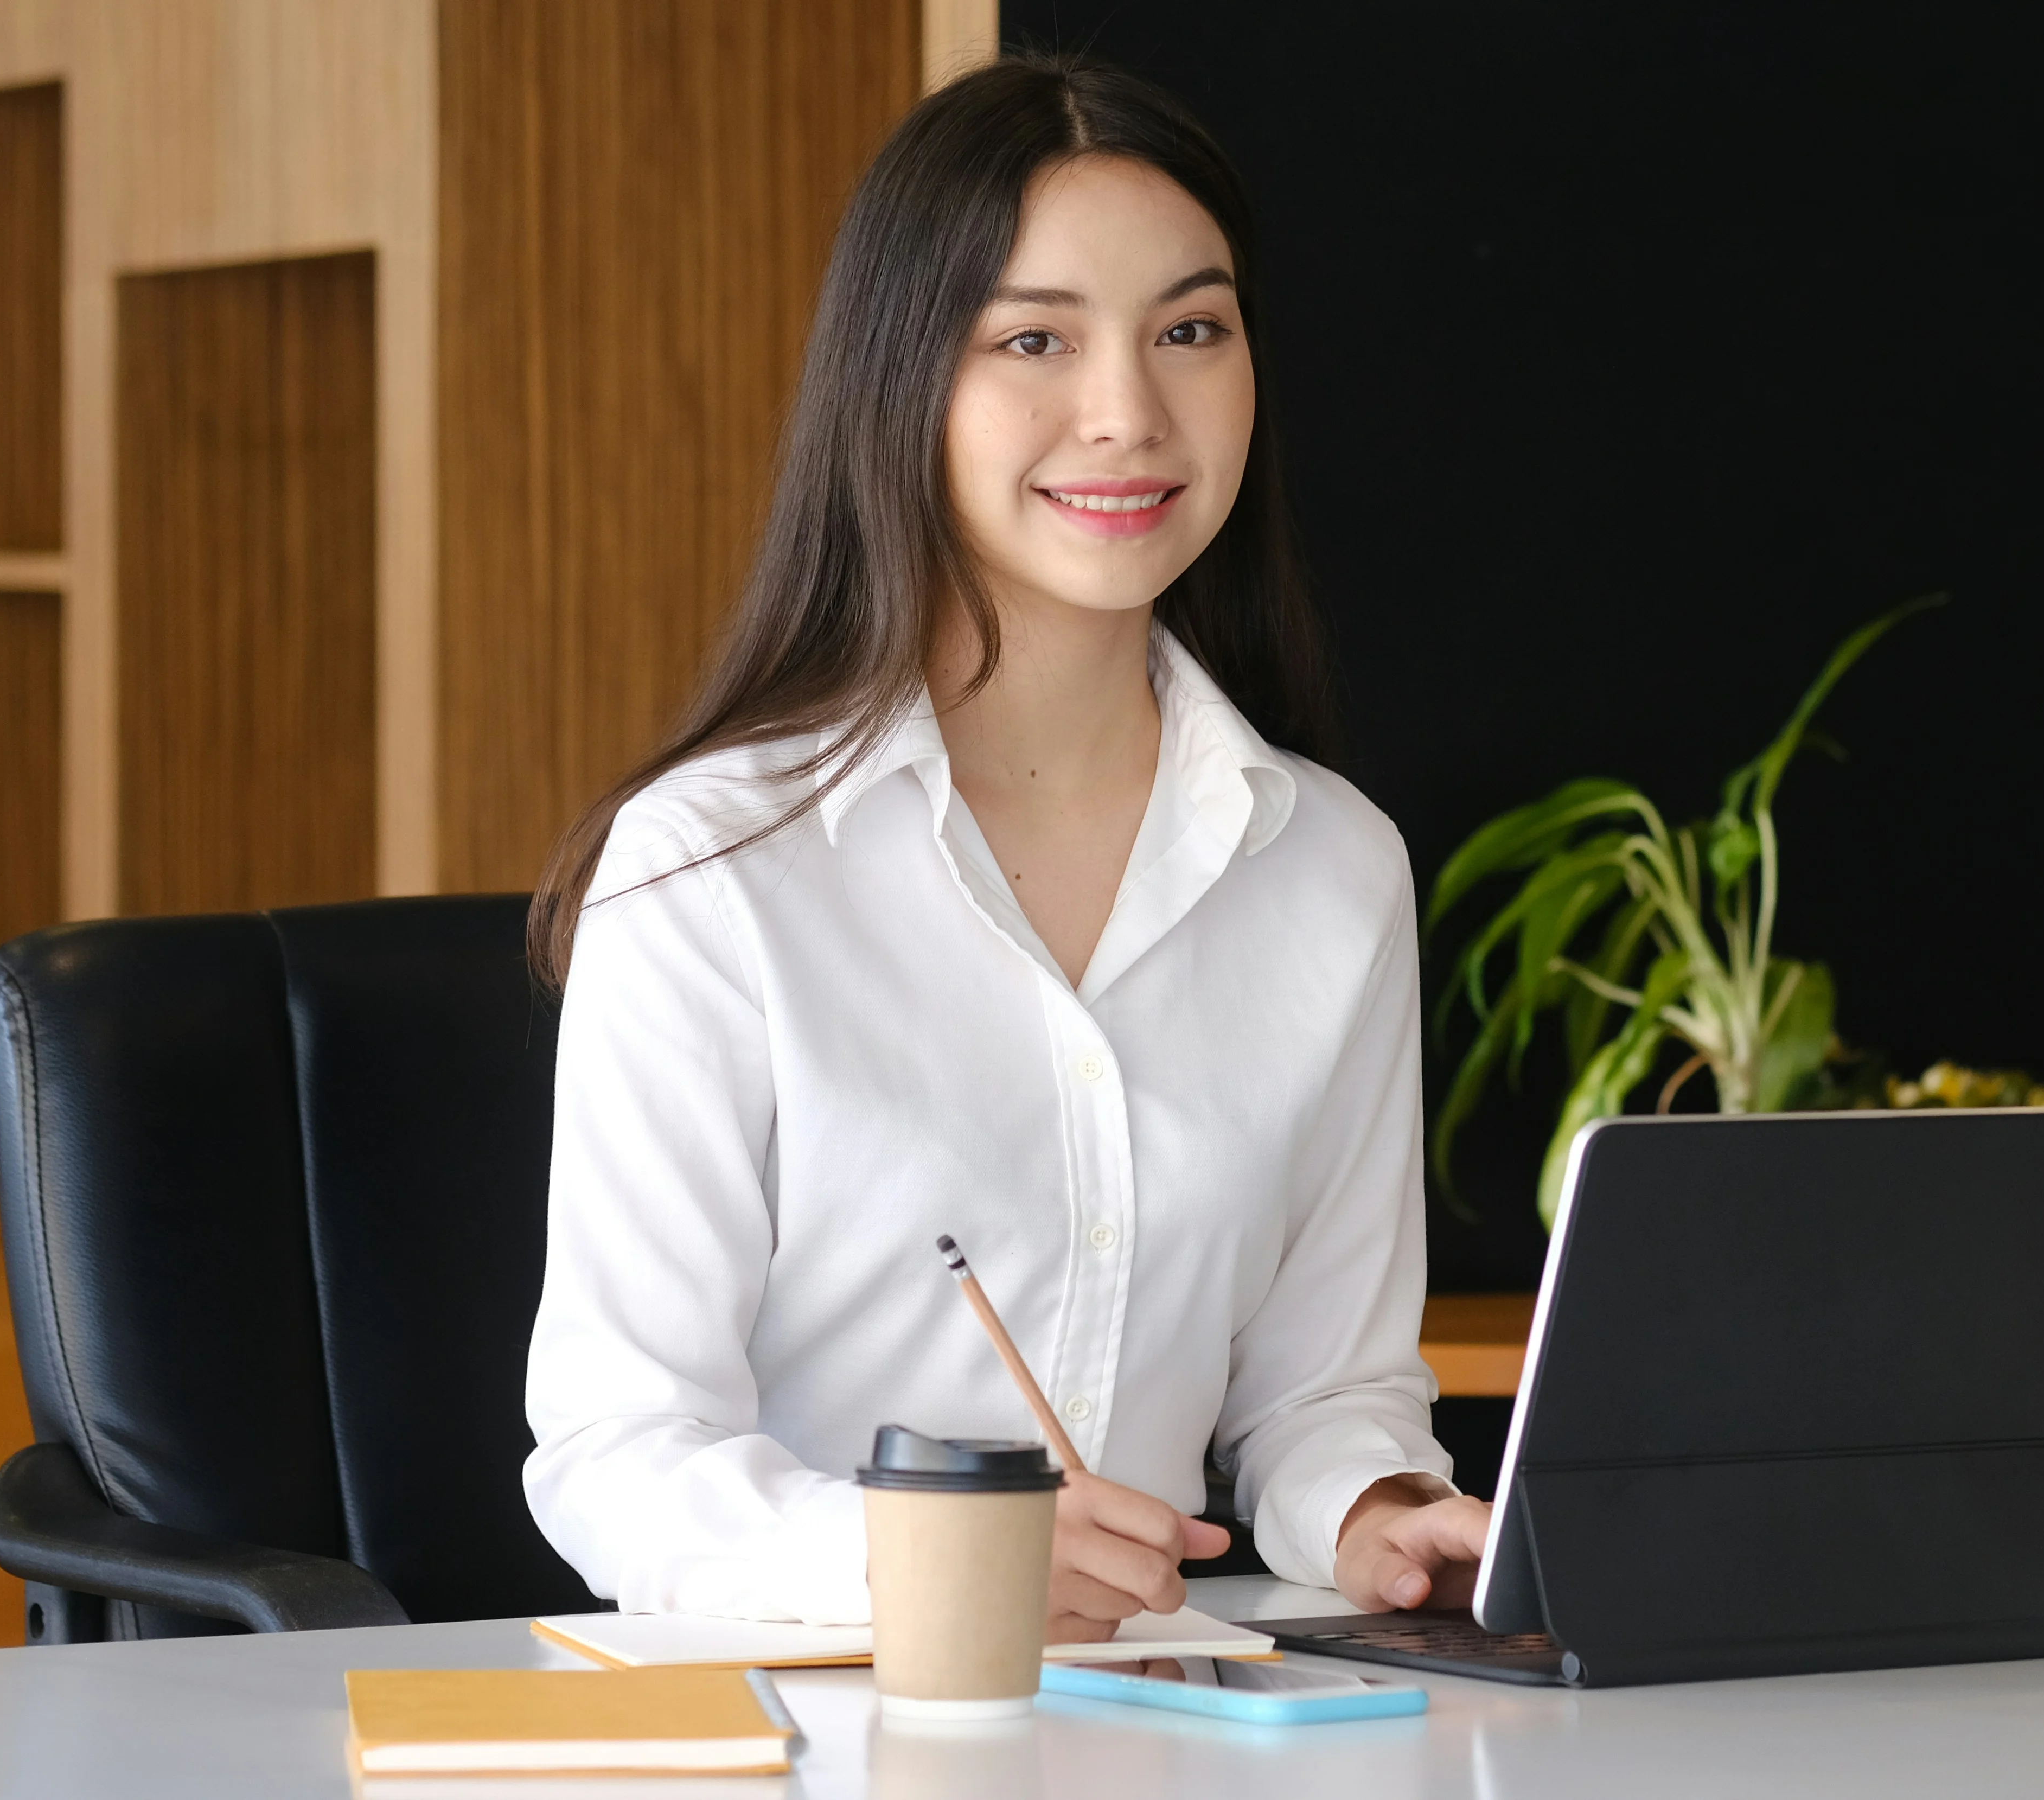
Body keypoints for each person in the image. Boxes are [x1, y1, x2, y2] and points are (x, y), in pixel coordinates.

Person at [520, 53, 1491, 1639]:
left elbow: (1327, 1393)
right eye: (1034, 339)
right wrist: (924, 1551)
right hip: (805, 1714)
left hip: (1159, 1722)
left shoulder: (1332, 871)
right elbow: (616, 1454)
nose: (1129, 412)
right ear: (906, 381)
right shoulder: (709, 867)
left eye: (1192, 331)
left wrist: (1380, 1511)